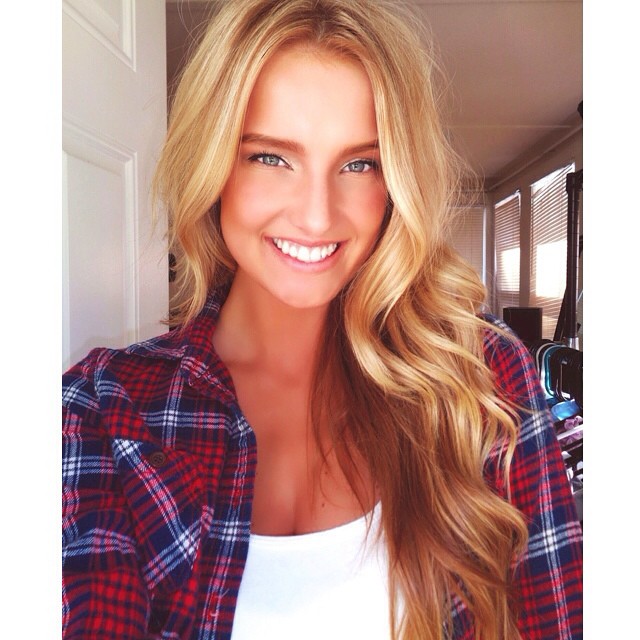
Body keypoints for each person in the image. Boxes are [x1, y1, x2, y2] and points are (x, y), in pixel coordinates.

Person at [61, 0, 583, 638]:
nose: (316, 216)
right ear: (214, 164)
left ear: (395, 183)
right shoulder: (103, 409)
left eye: (359, 164)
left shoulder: (482, 376)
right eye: (270, 157)